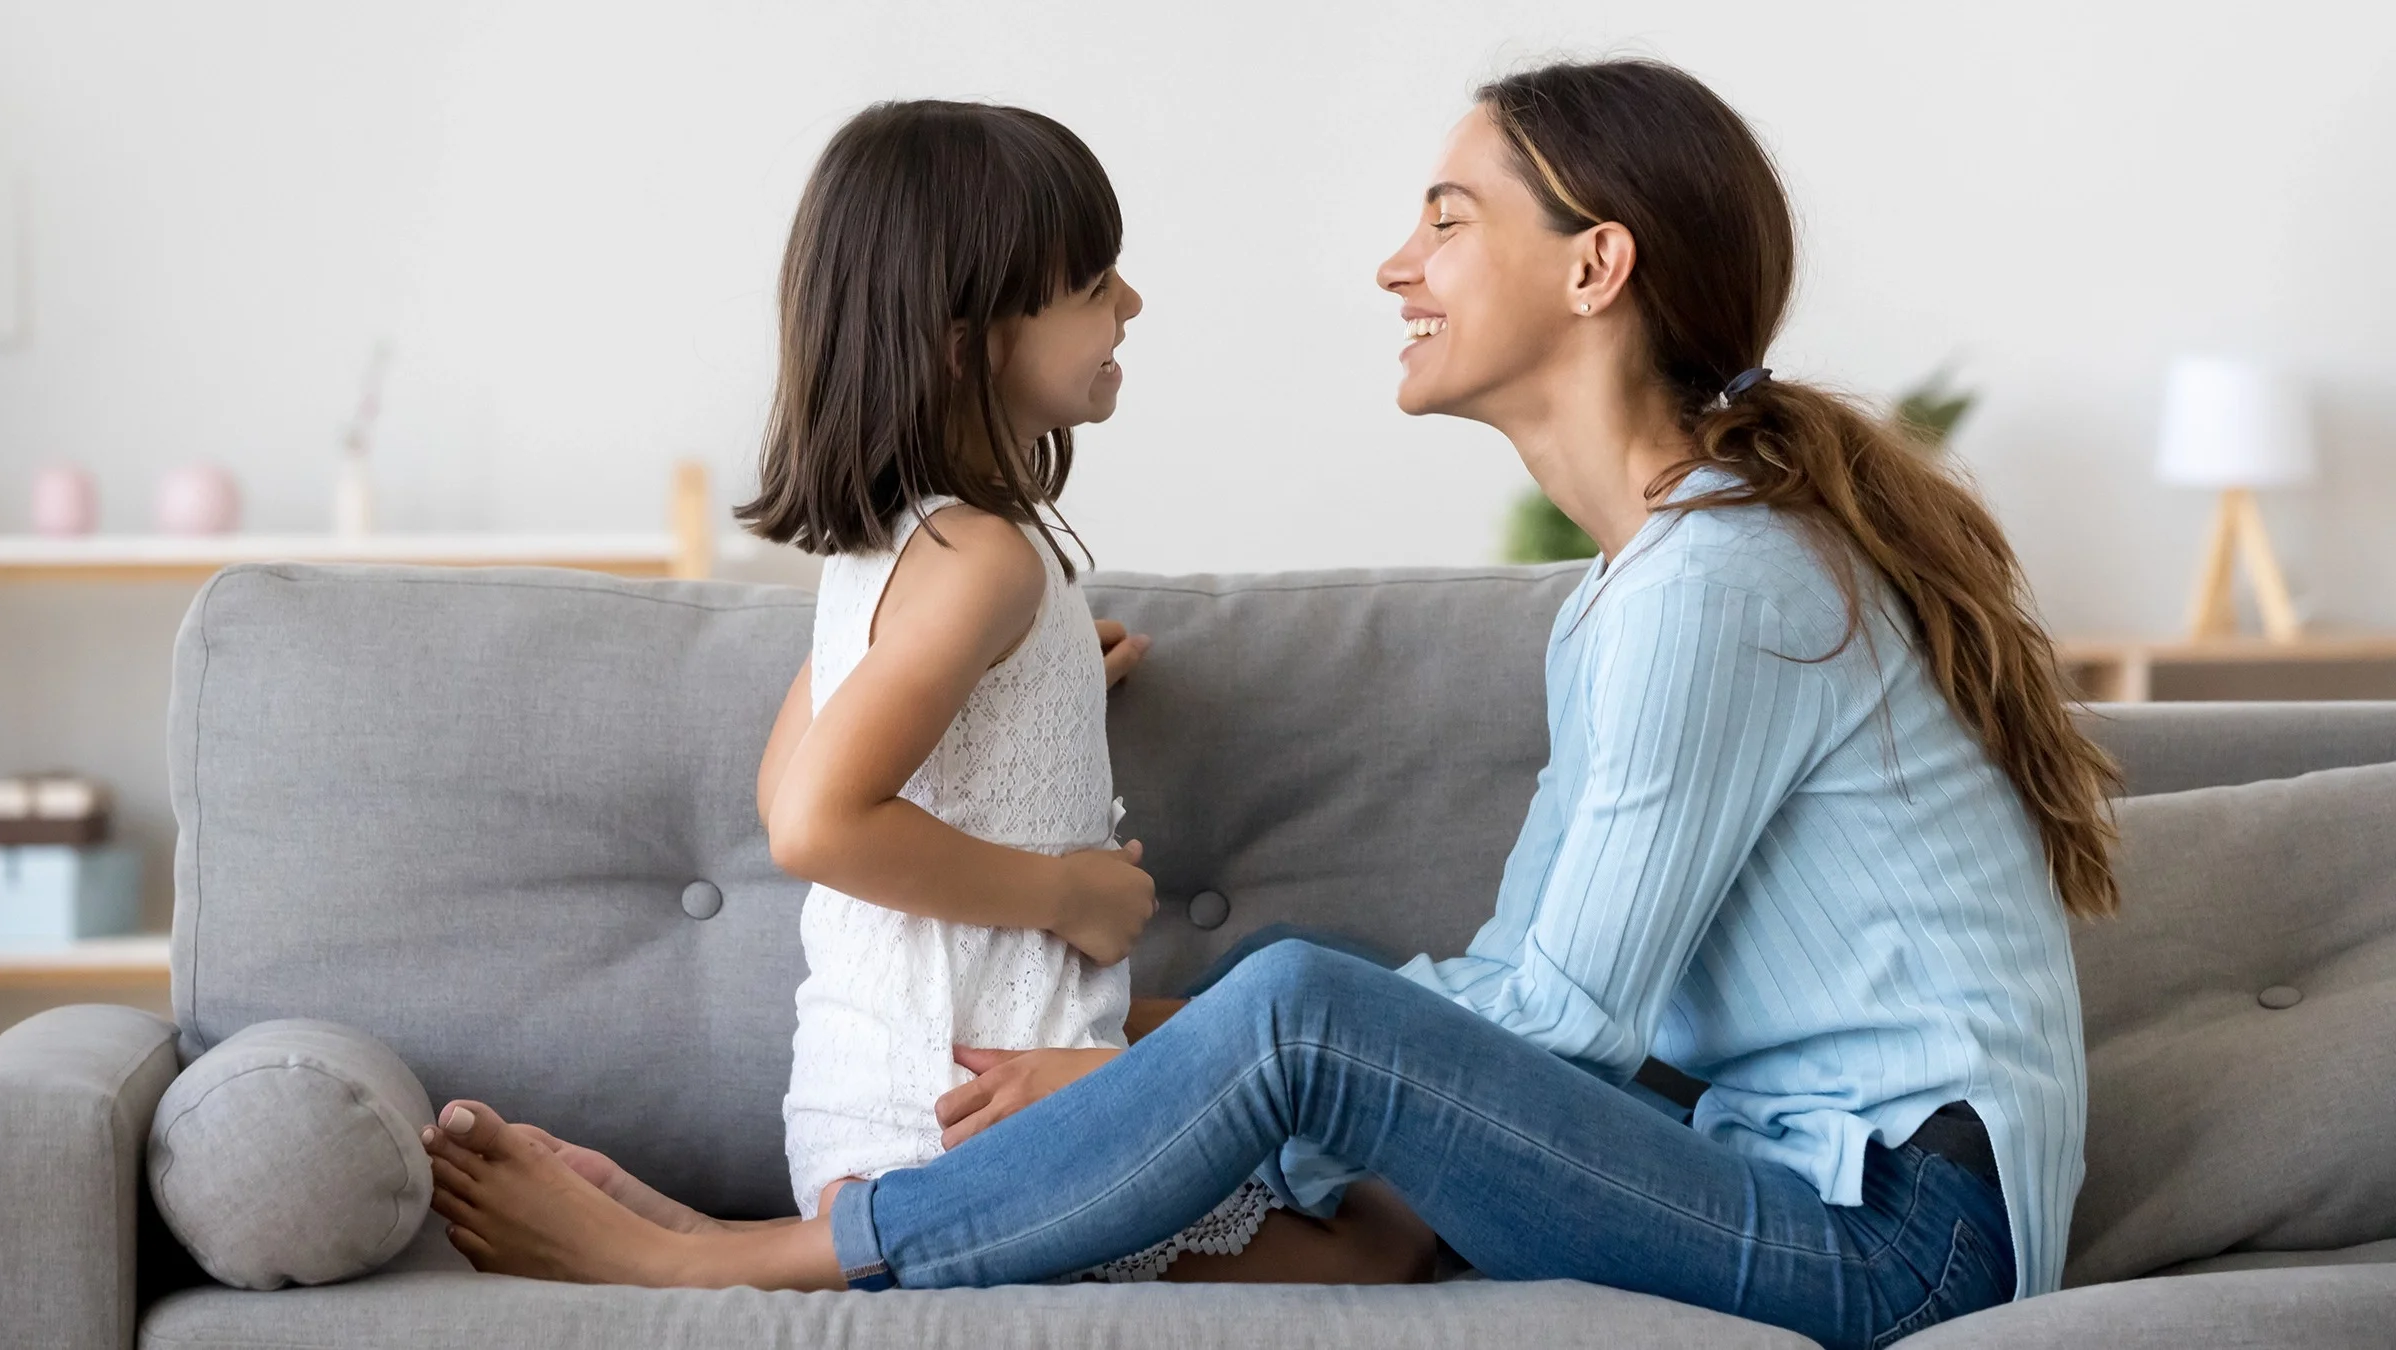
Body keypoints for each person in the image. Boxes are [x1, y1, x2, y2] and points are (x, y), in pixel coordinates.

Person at [424, 59, 2117, 1348]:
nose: (1397, 264)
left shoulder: (1717, 585)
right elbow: (1526, 993)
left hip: (1897, 1242)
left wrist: (1154, 1081)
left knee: (1299, 1008)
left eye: (1449, 219)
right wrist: (1156, 1059)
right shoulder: (1644, 585)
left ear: (1595, 267)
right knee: (1292, 1027)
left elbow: (1556, 1031)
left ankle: (732, 1262)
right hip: (1792, 1173)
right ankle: (815, 1223)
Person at [426, 97, 1433, 1287]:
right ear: (967, 341)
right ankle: (717, 1262)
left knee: (1331, 1113)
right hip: (973, 1130)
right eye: (1095, 281)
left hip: (891, 1109)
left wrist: (1042, 693)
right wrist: (1069, 893)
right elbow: (814, 823)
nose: (1134, 303)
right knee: (1383, 1239)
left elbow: (783, 783)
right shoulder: (986, 563)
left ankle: (712, 1235)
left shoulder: (896, 554)